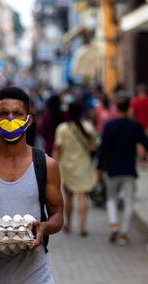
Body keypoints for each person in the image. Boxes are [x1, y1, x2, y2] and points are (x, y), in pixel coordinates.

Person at [0, 86, 64, 283]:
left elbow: (58, 215)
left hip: (35, 277)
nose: (10, 119)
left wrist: (43, 227)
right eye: (3, 114)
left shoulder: (46, 165)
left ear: (28, 120)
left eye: (17, 114)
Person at [97, 94, 148, 245]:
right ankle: (124, 234)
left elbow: (103, 149)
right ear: (129, 108)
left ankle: (114, 224)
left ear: (117, 107)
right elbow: (145, 144)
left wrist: (99, 168)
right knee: (128, 201)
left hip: (112, 169)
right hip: (129, 169)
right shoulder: (135, 125)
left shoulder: (109, 125)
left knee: (111, 198)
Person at [53, 101, 98, 236]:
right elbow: (93, 147)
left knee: (69, 197)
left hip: (66, 167)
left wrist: (53, 167)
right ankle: (82, 228)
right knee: (82, 196)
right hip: (83, 166)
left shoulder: (62, 129)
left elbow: (57, 150)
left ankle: (68, 224)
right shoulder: (88, 127)